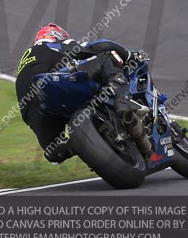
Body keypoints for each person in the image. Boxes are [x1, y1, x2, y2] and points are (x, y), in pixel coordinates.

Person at [15, 23, 132, 164]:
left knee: (54, 153)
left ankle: (78, 144)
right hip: (54, 83)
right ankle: (123, 103)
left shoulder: (23, 66)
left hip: (31, 108)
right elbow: (99, 46)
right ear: (56, 35)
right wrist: (128, 55)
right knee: (106, 58)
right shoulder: (50, 45)